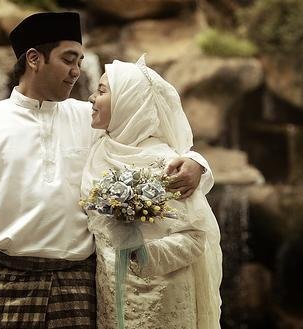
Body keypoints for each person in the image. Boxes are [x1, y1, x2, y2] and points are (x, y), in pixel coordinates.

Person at [0, 12, 213, 329]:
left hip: (76, 284)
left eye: (81, 61)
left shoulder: (92, 119)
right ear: (33, 59)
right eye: (69, 60)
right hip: (2, 284)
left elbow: (151, 138)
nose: (77, 72)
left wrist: (197, 164)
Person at [81, 57, 222, 329]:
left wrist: (142, 254)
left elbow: (195, 238)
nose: (90, 98)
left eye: (101, 91)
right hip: (110, 294)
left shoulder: (167, 163)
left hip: (163, 298)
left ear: (128, 101)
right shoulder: (98, 148)